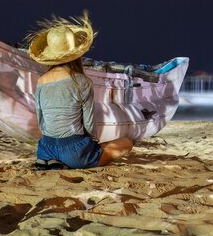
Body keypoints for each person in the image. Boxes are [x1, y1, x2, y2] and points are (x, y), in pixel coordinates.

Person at [27, 12, 133, 170]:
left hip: (46, 148)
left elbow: (42, 122)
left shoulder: (41, 81)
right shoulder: (81, 81)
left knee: (69, 146)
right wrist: (91, 144)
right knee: (126, 143)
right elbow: (89, 124)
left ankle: (51, 160)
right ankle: (68, 160)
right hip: (74, 150)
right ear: (76, 55)